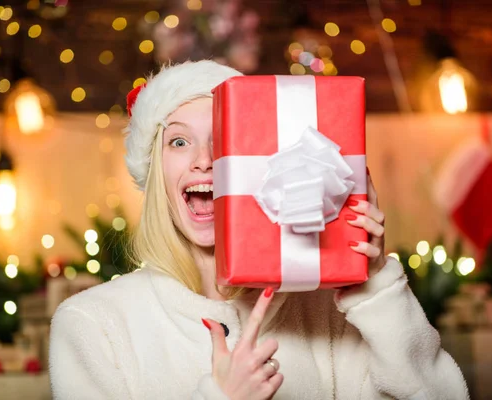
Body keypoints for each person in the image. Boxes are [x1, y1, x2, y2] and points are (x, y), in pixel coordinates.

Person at [49, 60, 469, 400]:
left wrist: (375, 285)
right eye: (179, 142)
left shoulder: (325, 311)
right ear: (156, 174)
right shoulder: (94, 324)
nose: (204, 160)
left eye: (222, 138)